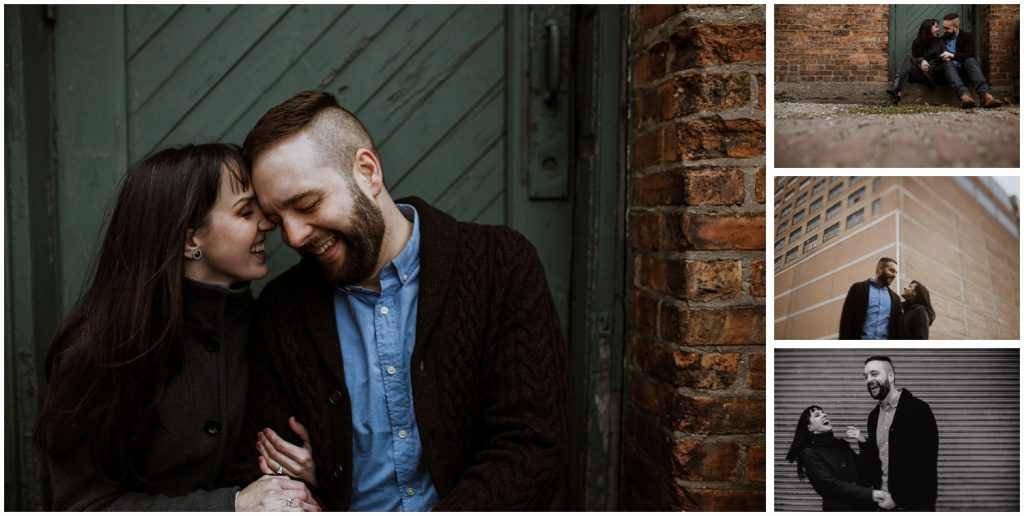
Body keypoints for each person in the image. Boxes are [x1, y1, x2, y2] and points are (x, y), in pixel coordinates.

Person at [229, 90, 568, 510]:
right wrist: (312, 486)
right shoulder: (282, 309)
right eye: (278, 220)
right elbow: (265, 468)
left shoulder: (501, 265)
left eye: (307, 204)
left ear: (368, 172)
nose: (294, 237)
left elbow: (532, 444)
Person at [34, 144, 319, 511]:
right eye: (246, 212)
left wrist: (309, 475)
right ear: (190, 240)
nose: (268, 223)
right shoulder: (98, 350)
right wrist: (230, 505)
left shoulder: (269, 325)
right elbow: (83, 506)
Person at [852, 356, 939, 511]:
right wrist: (864, 443)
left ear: (891, 376)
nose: (868, 380)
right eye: (865, 376)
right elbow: (876, 462)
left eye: (874, 374)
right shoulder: (873, 417)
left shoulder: (918, 410)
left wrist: (898, 499)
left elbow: (925, 464)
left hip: (914, 506)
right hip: (883, 504)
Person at [785, 406, 895, 511]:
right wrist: (872, 494)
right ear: (810, 427)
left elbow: (865, 474)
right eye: (817, 415)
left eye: (823, 412)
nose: (824, 415)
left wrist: (863, 443)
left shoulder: (842, 445)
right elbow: (831, 485)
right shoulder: (810, 454)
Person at [940, 12, 1002, 108]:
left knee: (970, 60)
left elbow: (969, 54)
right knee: (947, 63)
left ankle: (985, 96)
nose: (944, 30)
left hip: (965, 72)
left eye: (947, 28)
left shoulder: (967, 37)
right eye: (943, 27)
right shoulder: (941, 39)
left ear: (956, 27)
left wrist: (952, 55)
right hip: (949, 72)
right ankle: (965, 96)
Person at [838, 257, 903, 339]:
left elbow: (897, 329)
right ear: (880, 269)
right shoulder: (858, 289)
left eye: (896, 273)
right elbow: (846, 320)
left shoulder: (896, 299)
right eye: (892, 271)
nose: (894, 276)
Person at [886, 19, 945, 105]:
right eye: (936, 27)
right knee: (909, 64)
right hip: (918, 73)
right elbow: (916, 58)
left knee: (908, 61)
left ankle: (895, 89)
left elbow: (942, 59)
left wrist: (927, 64)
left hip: (932, 74)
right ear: (928, 28)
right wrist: (922, 61)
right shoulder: (917, 43)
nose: (938, 29)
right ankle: (896, 88)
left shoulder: (940, 42)